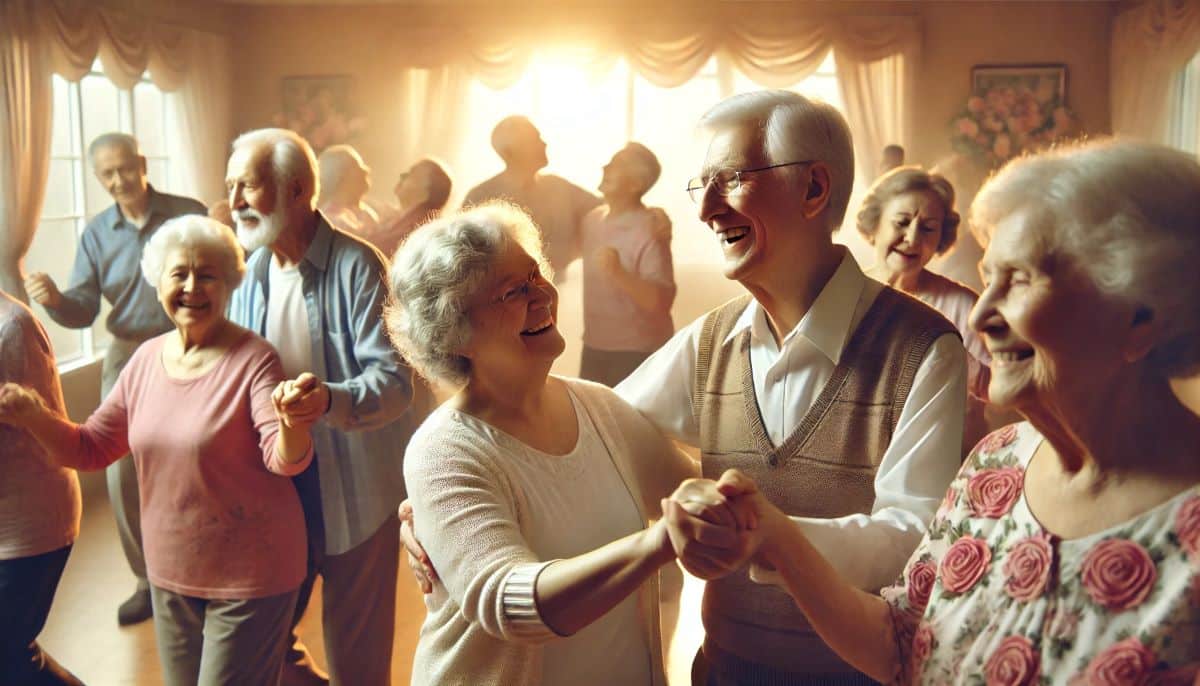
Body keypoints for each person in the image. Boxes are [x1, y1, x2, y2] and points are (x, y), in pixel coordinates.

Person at [404, 90, 968, 684]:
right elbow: (581, 442)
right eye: (703, 186)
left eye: (731, 179)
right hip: (723, 670)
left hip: (853, 675)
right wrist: (438, 512)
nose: (707, 211)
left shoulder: (923, 348)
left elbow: (914, 540)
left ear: (813, 189)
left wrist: (766, 536)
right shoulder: (710, 342)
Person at [668, 139, 1200, 683]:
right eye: (990, 278)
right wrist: (775, 536)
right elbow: (901, 641)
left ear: (1139, 317)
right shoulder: (997, 464)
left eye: (1020, 280)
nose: (983, 314)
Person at [388, 201, 700, 685]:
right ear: (455, 333)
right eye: (512, 291)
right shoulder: (444, 451)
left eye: (535, 275)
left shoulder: (600, 408)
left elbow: (700, 489)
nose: (541, 295)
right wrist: (659, 542)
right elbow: (509, 605)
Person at [0, 215, 317, 685]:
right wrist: (33, 416)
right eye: (179, 274)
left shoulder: (254, 360)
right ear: (158, 282)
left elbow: (285, 459)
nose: (192, 287)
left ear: (229, 283)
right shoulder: (146, 360)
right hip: (170, 571)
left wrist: (292, 422)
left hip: (252, 573)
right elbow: (89, 449)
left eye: (207, 275)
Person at [226, 128, 415, 686]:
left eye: (248, 185)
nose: (235, 201)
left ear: (297, 190)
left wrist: (328, 399)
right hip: (277, 483)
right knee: (265, 643)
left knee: (359, 657)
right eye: (230, 186)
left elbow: (396, 382)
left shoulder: (359, 266)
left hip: (355, 487)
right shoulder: (249, 274)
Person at [23, 131, 206, 626]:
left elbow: (226, 276)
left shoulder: (188, 214)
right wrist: (56, 300)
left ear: (142, 163)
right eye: (107, 174)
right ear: (98, 178)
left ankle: (199, 571)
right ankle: (148, 581)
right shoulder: (97, 234)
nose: (119, 180)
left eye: (125, 168)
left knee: (198, 456)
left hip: (195, 343)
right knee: (120, 470)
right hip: (126, 354)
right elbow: (83, 309)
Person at [856, 166, 991, 452]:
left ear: (941, 238)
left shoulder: (963, 305)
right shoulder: (846, 293)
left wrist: (949, 359)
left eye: (928, 228)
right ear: (875, 225)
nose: (913, 238)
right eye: (902, 222)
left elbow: (999, 391)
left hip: (945, 455)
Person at [0, 290, 83, 686]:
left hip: (30, 523)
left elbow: (38, 430)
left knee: (8, 651)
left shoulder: (12, 327)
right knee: (12, 655)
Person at [579, 143, 676, 387]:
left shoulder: (651, 228)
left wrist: (618, 272)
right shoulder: (591, 220)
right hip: (593, 347)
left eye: (616, 164)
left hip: (637, 354)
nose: (605, 167)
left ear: (635, 185)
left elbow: (659, 302)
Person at [463, 116, 600, 282]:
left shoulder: (560, 187)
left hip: (564, 289)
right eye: (535, 139)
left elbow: (609, 210)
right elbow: (464, 256)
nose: (544, 144)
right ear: (509, 152)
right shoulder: (480, 198)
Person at [371, 158, 453, 257]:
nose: (402, 176)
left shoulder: (419, 228)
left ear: (426, 191)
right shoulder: (397, 218)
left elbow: (376, 248)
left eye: (412, 174)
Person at [317, 144, 379, 238]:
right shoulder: (332, 221)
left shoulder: (365, 211)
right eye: (356, 165)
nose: (366, 170)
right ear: (340, 176)